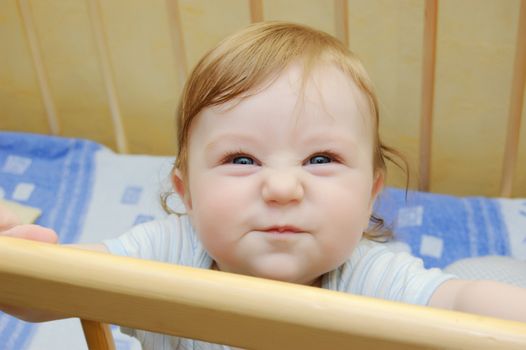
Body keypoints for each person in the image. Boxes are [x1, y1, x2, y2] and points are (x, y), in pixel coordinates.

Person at [1, 21, 525, 349]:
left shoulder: (368, 277)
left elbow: (459, 306)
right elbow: (57, 291)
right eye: (241, 158)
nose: (281, 187)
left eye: (321, 158)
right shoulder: (167, 253)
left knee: (483, 276)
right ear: (186, 194)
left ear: (371, 193)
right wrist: (20, 268)